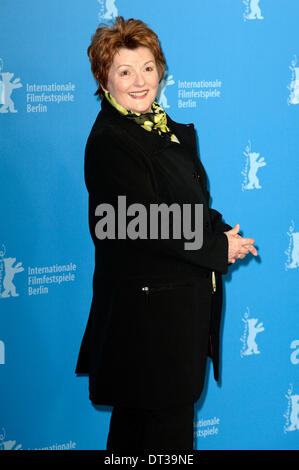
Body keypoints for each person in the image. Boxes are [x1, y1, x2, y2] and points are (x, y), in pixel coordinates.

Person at [75, 16, 257, 451]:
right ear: (105, 81)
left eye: (147, 68)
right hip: (147, 329)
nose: (139, 81)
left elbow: (188, 204)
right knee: (157, 441)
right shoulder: (110, 142)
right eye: (124, 71)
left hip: (175, 321)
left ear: (160, 70)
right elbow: (144, 223)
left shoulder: (166, 129)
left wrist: (221, 231)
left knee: (144, 439)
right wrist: (216, 248)